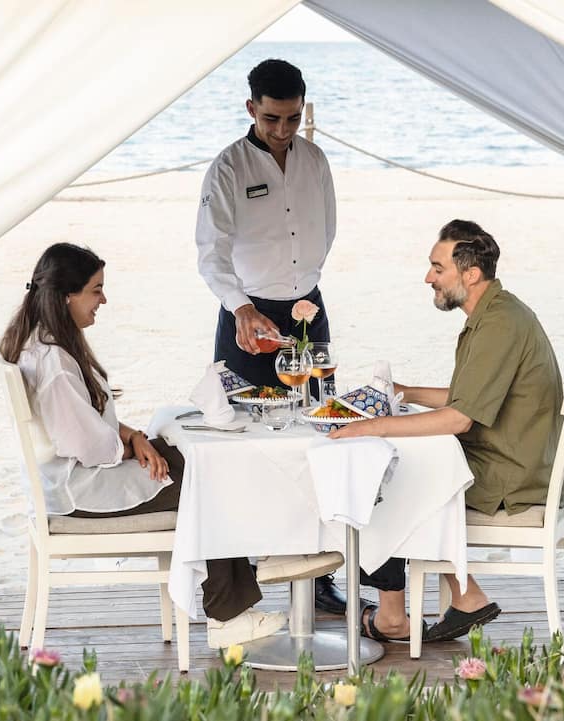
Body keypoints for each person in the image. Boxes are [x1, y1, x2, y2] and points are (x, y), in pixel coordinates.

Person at [0, 242, 285, 649]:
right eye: (96, 290)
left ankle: (249, 576)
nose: (103, 300)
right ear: (66, 297)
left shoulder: (39, 343)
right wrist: (134, 447)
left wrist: (134, 437)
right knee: (208, 480)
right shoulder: (55, 365)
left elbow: (84, 422)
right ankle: (230, 615)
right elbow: (90, 447)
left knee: (195, 460)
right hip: (81, 492)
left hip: (66, 481)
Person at [330, 220, 564, 643]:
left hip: (511, 476)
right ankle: (464, 594)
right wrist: (404, 392)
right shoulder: (498, 313)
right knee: (402, 468)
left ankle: (393, 617)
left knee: (385, 483)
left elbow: (460, 419)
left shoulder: (498, 325)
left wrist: (373, 425)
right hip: (513, 457)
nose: (428, 277)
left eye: (438, 268)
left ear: (470, 274)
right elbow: (467, 397)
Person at [195, 58, 348, 616]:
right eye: (271, 118)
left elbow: (327, 228)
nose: (283, 130)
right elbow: (210, 253)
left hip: (308, 311)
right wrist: (242, 307)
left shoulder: (315, 159)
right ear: (251, 109)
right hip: (246, 315)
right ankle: (240, 588)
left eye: (292, 118)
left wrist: (302, 287)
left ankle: (318, 576)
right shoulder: (228, 167)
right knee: (241, 443)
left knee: (319, 435)